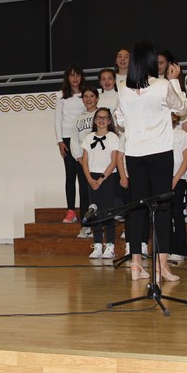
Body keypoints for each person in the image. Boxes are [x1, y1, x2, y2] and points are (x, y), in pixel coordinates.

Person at [114, 40, 187, 282]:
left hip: (135, 154)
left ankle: (136, 264)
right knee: (162, 208)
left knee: (138, 209)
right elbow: (182, 110)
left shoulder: (123, 88)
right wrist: (175, 81)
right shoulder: (163, 85)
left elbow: (119, 121)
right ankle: (161, 265)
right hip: (160, 153)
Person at [81, 107, 123, 260]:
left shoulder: (113, 138)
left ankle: (110, 246)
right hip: (91, 178)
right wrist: (90, 179)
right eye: (99, 117)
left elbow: (114, 161)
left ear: (109, 121)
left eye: (104, 118)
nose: (101, 120)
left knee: (108, 212)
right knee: (94, 212)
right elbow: (84, 160)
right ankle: (97, 244)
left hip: (107, 177)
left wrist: (101, 179)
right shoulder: (88, 137)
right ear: (95, 120)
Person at [55, 65, 86, 225]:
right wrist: (60, 141)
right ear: (67, 78)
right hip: (67, 139)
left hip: (83, 139)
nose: (75, 78)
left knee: (84, 176)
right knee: (70, 175)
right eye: (72, 75)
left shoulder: (86, 94)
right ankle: (71, 211)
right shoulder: (61, 96)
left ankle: (86, 211)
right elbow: (57, 120)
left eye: (78, 75)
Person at [70, 87, 101, 238]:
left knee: (100, 193)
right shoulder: (78, 119)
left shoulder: (102, 115)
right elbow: (74, 140)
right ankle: (86, 226)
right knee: (85, 194)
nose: (88, 99)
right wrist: (79, 158)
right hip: (83, 162)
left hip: (100, 161)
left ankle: (101, 225)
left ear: (97, 98)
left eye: (91, 96)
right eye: (85, 96)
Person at [170, 111, 187, 262]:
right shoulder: (157, 135)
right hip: (162, 179)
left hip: (179, 178)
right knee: (163, 214)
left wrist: (175, 178)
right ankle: (165, 248)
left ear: (175, 117)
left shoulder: (182, 135)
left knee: (177, 213)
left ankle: (180, 249)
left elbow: (186, 159)